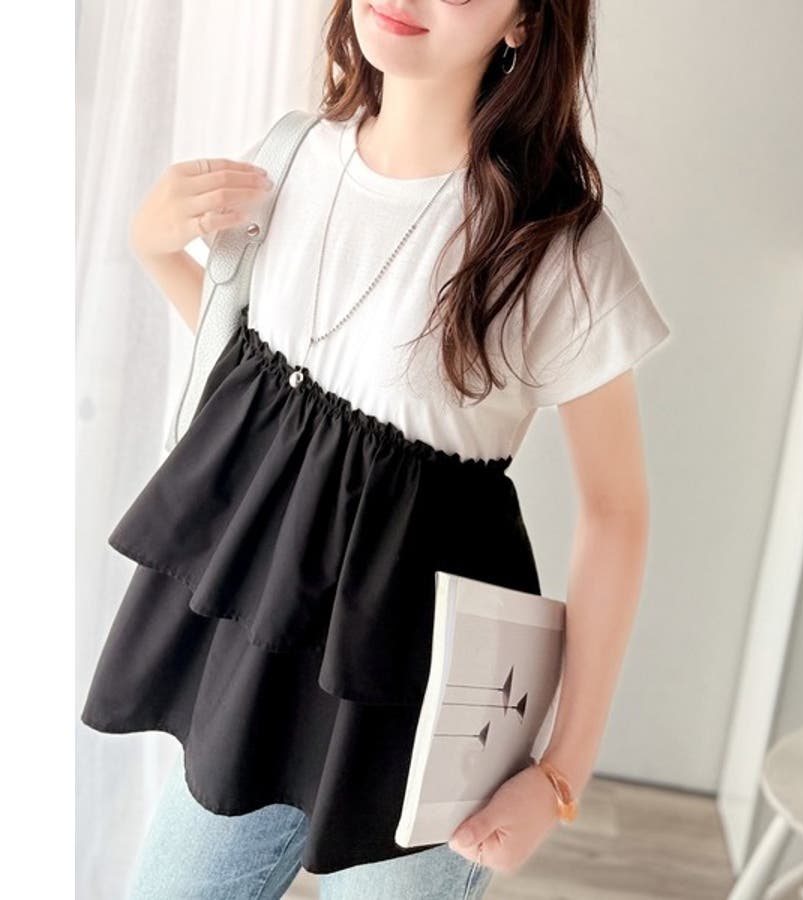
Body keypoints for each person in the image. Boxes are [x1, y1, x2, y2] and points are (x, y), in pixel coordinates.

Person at [81, 1, 672, 897]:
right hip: (263, 648)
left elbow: (616, 513)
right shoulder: (291, 158)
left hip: (423, 704)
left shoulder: (553, 245)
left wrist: (559, 773)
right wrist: (156, 251)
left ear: (523, 22)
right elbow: (263, 389)